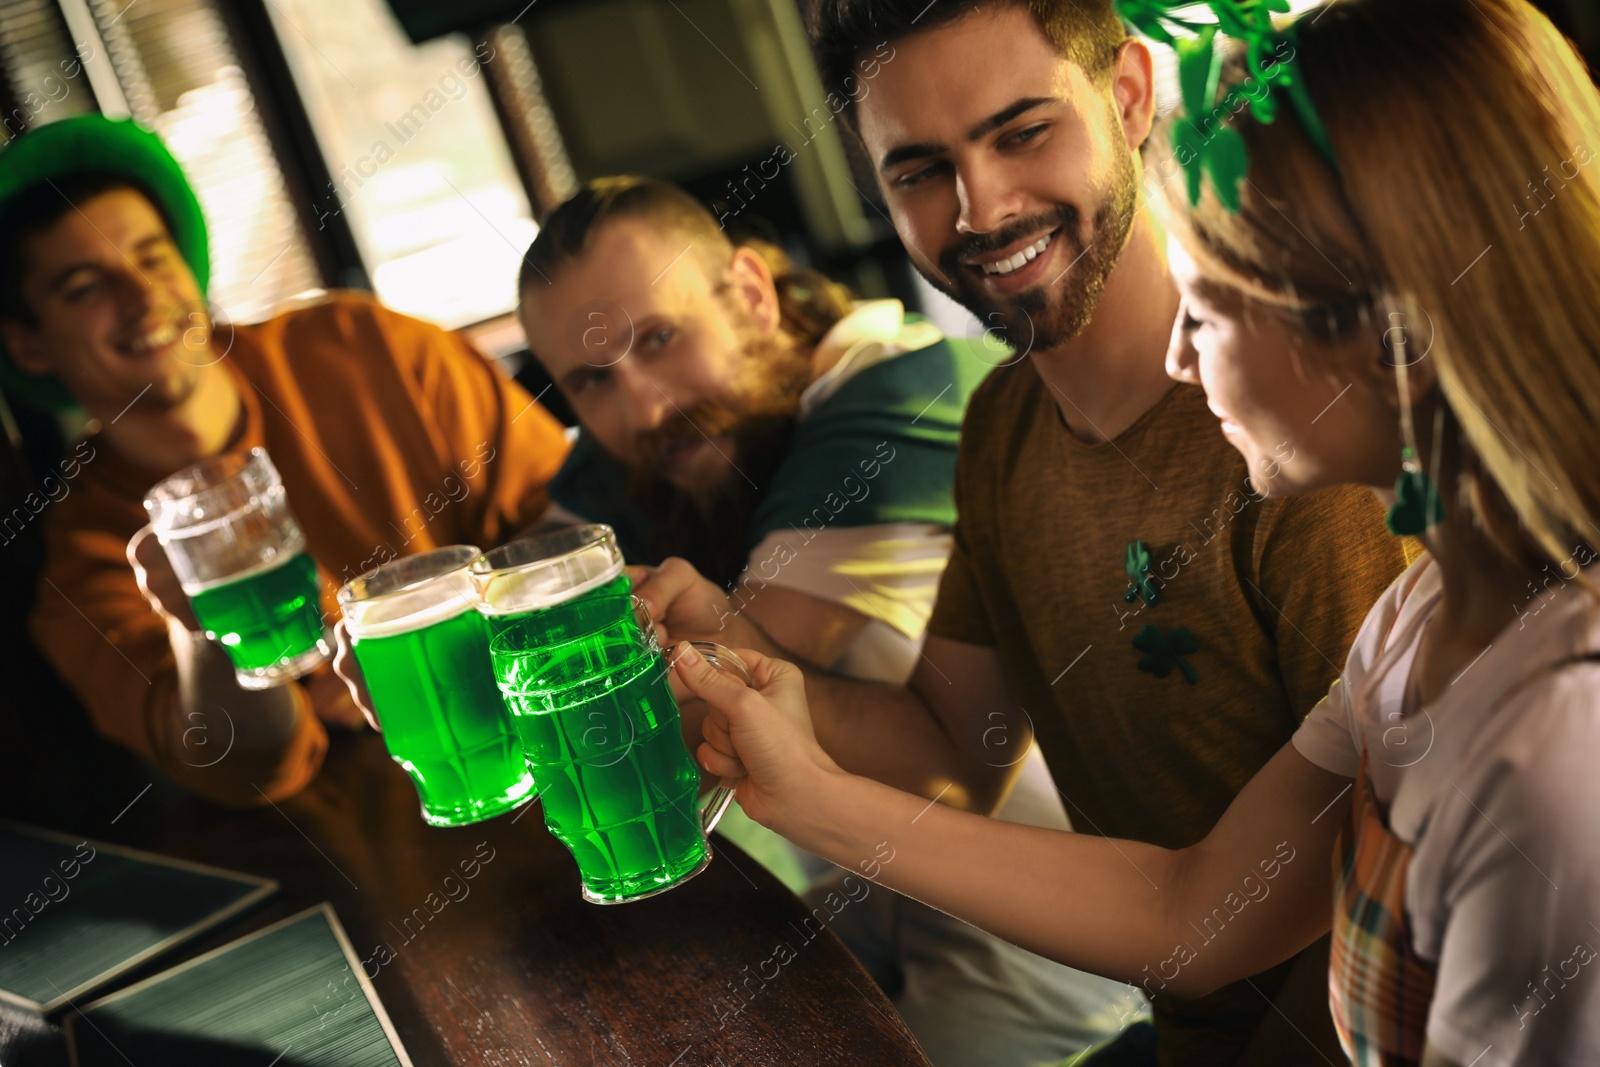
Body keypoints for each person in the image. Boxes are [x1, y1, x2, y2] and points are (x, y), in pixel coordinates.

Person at [670, 0, 1600, 1063]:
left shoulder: (1542, 727)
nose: (979, 207)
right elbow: (1189, 908)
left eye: (1209, 306)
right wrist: (773, 724)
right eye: (917, 169)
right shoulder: (1417, 614)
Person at [337, 175, 1144, 1062]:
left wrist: (488, 690)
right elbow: (527, 596)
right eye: (592, 380)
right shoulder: (662, 448)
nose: (643, 403)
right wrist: (426, 665)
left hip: (1046, 911)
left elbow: (730, 706)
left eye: (661, 339)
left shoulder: (900, 396)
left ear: (754, 295)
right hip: (857, 886)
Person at [0, 115, 569, 807]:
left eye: (153, 257)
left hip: (557, 750)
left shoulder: (367, 346)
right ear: (29, 345)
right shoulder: (84, 557)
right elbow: (240, 764)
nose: (142, 295)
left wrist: (422, 646)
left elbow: (571, 524)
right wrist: (200, 630)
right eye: (85, 286)